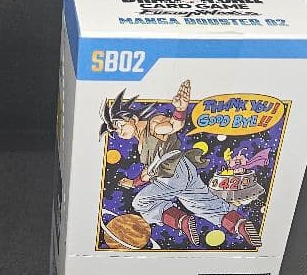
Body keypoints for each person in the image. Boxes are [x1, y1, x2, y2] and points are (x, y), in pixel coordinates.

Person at [102, 80, 260, 247]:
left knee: (142, 202)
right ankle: (240, 225)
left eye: (120, 125)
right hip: (184, 170)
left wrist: (180, 110)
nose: (120, 132)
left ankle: (181, 221)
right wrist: (133, 183)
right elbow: (149, 173)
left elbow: (172, 125)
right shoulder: (141, 141)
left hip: (172, 174)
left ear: (133, 118)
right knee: (204, 205)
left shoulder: (153, 126)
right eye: (116, 131)